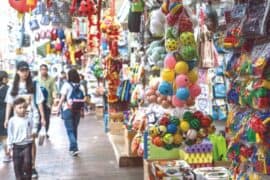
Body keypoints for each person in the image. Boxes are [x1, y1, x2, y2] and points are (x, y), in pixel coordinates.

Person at [4, 61, 46, 179]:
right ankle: (25, 166)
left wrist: (43, 117)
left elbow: (39, 102)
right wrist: (7, 118)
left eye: (26, 70)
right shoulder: (13, 87)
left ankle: (32, 166)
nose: (25, 73)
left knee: (31, 141)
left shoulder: (34, 85)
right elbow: (9, 103)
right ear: (17, 72)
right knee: (20, 142)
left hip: (32, 118)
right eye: (22, 71)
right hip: (18, 120)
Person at [57, 69, 85, 156]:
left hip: (68, 109)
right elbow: (83, 99)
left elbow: (62, 98)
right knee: (74, 129)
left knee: (69, 130)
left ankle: (74, 147)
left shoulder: (66, 85)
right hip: (77, 110)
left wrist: (58, 108)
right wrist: (82, 110)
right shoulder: (81, 86)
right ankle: (72, 148)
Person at [7, 98, 33, 180]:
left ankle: (28, 177)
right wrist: (9, 146)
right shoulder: (12, 120)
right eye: (20, 107)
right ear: (15, 108)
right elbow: (10, 134)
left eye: (24, 107)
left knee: (27, 163)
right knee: (17, 166)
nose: (22, 109)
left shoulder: (28, 119)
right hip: (16, 146)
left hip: (27, 145)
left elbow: (32, 129)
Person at [37, 64, 56, 138]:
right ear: (40, 70)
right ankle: (39, 131)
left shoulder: (51, 79)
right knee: (39, 117)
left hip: (48, 102)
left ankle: (46, 131)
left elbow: (54, 90)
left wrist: (54, 100)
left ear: (47, 70)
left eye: (45, 69)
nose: (43, 71)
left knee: (47, 117)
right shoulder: (37, 80)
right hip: (39, 102)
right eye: (42, 69)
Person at [0, 71, 10, 162]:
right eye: (7, 77)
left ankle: (7, 153)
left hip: (3, 114)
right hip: (5, 114)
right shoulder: (8, 89)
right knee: (4, 136)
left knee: (3, 136)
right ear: (3, 79)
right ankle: (7, 154)